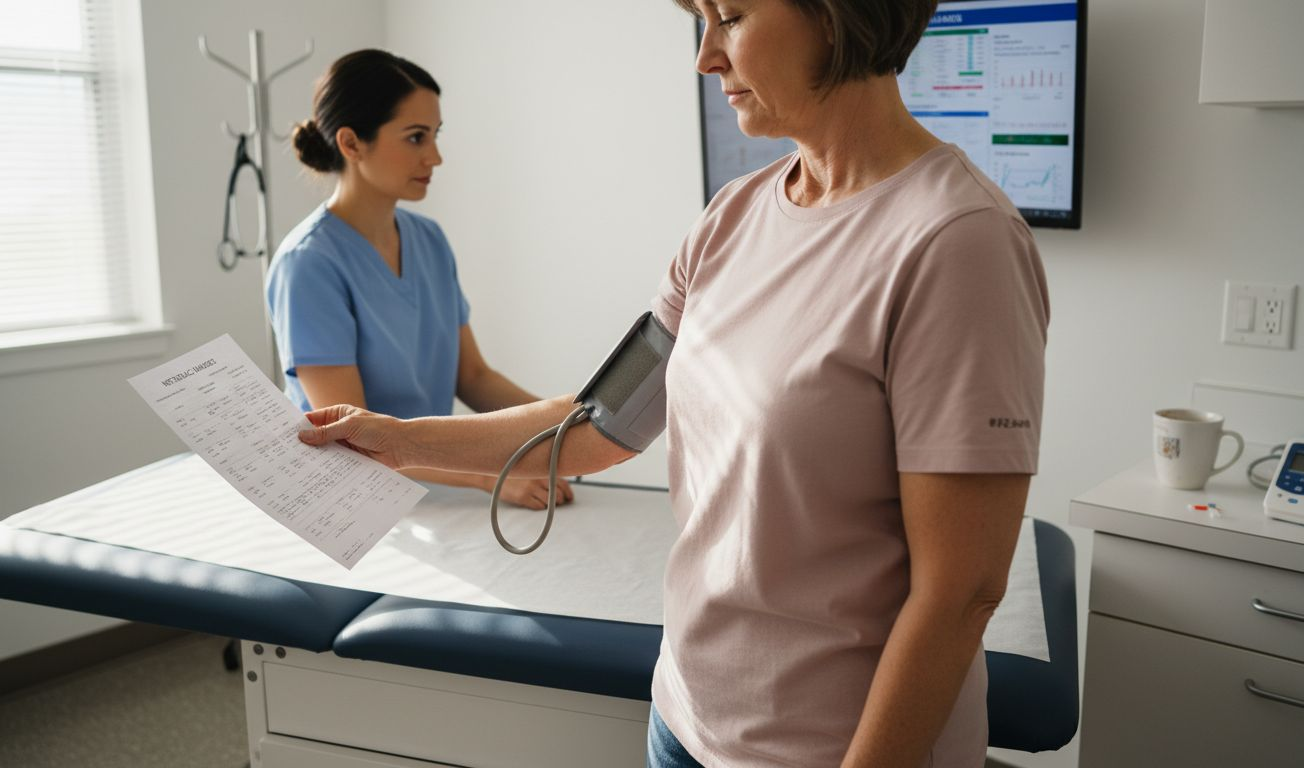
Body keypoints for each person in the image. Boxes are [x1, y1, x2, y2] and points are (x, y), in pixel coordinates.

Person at [297, 1, 1049, 765]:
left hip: (823, 748)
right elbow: (596, 426)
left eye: (730, 16)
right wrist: (392, 439)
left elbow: (960, 596)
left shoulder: (957, 243)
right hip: (684, 720)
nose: (706, 58)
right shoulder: (731, 218)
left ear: (834, 15)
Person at [268, 49, 571, 510]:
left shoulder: (428, 240)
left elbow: (473, 377)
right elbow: (352, 435)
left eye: (434, 135)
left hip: (440, 492)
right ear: (351, 144)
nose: (435, 156)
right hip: (352, 506)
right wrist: (490, 477)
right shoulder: (308, 264)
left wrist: (568, 429)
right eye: (415, 138)